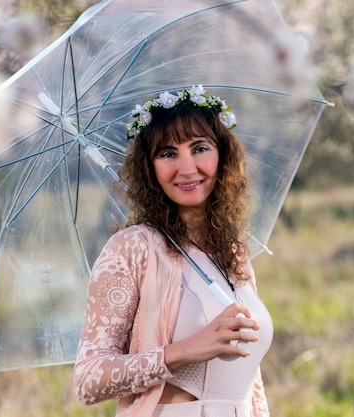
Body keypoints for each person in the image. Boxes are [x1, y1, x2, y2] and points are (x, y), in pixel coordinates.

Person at [73, 85, 273, 417]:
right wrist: (182, 352)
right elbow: (88, 380)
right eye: (168, 153)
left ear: (222, 155)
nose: (186, 167)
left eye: (199, 148)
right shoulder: (132, 249)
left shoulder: (234, 255)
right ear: (149, 167)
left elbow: (252, 383)